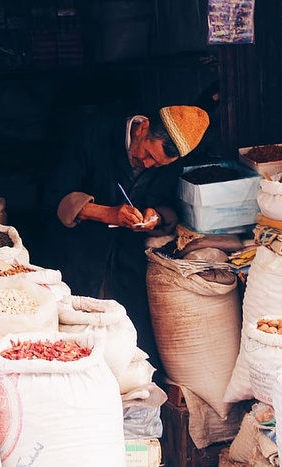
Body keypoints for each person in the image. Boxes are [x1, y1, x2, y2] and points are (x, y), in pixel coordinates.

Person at [43, 105, 210, 372]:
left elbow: (171, 208)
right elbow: (54, 196)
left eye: (157, 164)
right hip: (80, 252)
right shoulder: (94, 135)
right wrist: (107, 213)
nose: (147, 164)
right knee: (78, 336)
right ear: (142, 127)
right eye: (147, 154)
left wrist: (155, 217)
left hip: (130, 261)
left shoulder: (166, 165)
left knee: (131, 339)